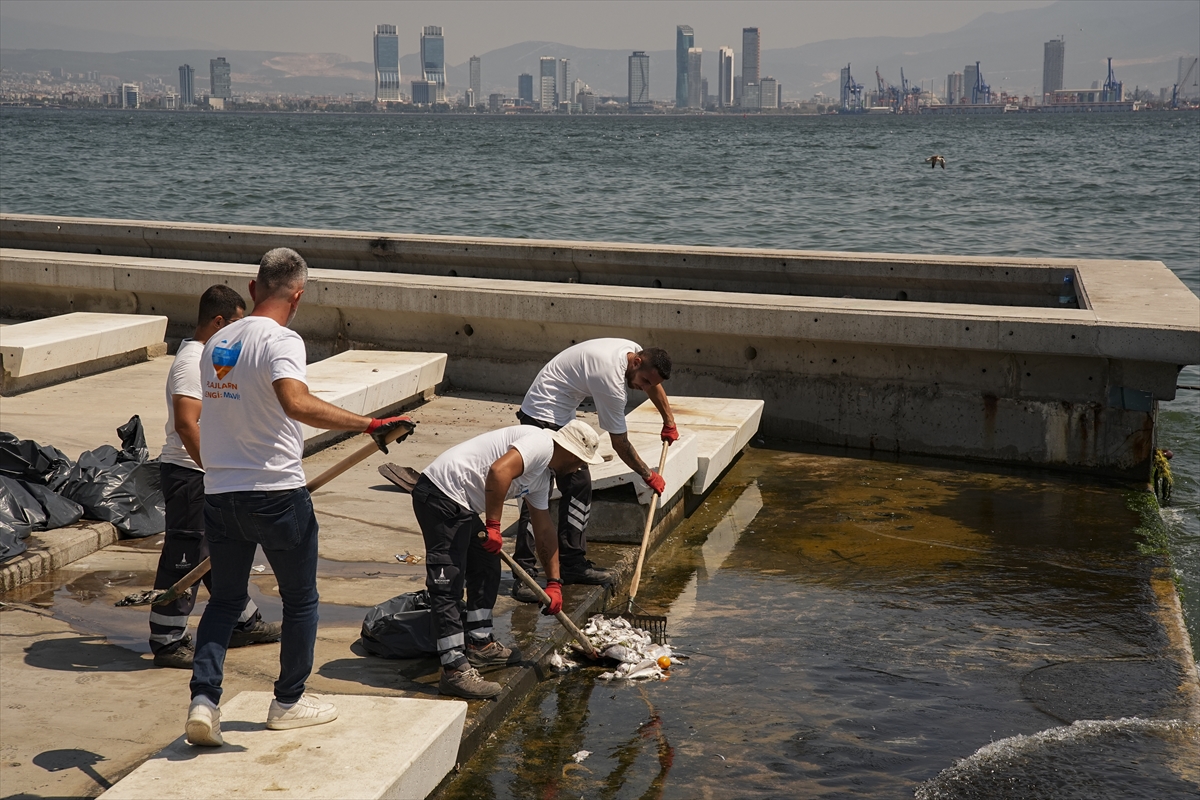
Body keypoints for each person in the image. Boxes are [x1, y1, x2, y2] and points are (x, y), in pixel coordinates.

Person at [185, 248, 413, 747]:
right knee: (301, 600)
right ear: (299, 295)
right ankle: (288, 701)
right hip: (275, 494)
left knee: (224, 601)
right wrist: (371, 423)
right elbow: (296, 402)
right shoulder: (282, 339)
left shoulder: (216, 342)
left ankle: (204, 700)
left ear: (253, 288)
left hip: (221, 492)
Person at [412, 420, 605, 699]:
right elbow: (498, 471)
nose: (578, 469)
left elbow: (544, 529)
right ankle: (454, 670)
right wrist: (493, 525)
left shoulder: (541, 477)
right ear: (571, 453)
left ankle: (480, 645)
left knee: (486, 568)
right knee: (447, 584)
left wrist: (554, 582)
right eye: (580, 463)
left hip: (464, 505)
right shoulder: (540, 444)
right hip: (441, 494)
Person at [150, 284, 281, 669]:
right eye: (237, 323)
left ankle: (243, 621)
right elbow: (187, 425)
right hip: (190, 473)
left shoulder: (212, 356)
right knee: (186, 559)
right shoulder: (191, 362)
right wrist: (214, 470)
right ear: (219, 321)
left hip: (206, 471)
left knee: (221, 553)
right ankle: (168, 640)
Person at [511, 339, 677, 603]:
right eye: (643, 381)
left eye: (648, 383)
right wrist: (647, 474)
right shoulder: (610, 382)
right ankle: (525, 575)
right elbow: (620, 444)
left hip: (562, 414)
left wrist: (668, 420)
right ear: (636, 362)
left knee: (579, 484)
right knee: (535, 492)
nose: (643, 388)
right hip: (540, 414)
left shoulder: (633, 351)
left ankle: (572, 564)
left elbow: (655, 385)